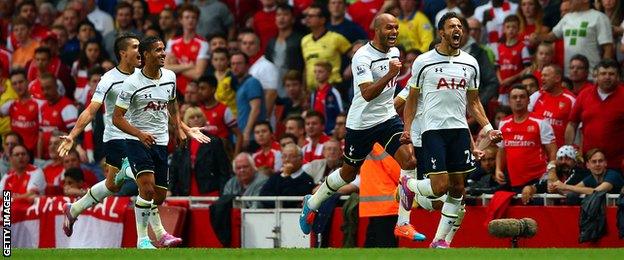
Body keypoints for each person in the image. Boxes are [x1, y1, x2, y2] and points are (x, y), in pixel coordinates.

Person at [300, 13, 421, 242]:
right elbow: (367, 94)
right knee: (347, 174)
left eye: (396, 28)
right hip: (361, 124)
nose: (394, 32)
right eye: (388, 28)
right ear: (375, 30)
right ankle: (312, 202)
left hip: (386, 119)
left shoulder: (395, 52)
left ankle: (403, 223)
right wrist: (391, 74)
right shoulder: (362, 56)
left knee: (410, 161)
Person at [401, 12, 501, 248]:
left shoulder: (470, 62)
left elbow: (474, 102)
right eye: (452, 26)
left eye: (460, 26)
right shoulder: (423, 61)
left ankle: (439, 241)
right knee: (440, 188)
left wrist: (488, 127)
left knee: (458, 187)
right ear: (442, 32)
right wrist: (406, 130)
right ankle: (408, 185)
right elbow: (412, 100)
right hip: (433, 130)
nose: (457, 30)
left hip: (458, 130)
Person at [112, 36, 209, 249]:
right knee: (146, 190)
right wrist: (138, 134)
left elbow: (171, 106)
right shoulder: (131, 83)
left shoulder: (170, 76)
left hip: (161, 141)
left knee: (158, 196)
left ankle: (128, 171)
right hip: (137, 140)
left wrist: (180, 129)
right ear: (145, 55)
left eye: (163, 49)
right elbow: (117, 118)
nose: (163, 53)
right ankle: (142, 240)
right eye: (158, 50)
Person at [58, 34, 141, 237]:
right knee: (144, 177)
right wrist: (73, 135)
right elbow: (90, 110)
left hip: (137, 136)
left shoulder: (143, 76)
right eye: (135, 47)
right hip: (116, 138)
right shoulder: (109, 79)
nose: (140, 51)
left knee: (112, 185)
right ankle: (149, 238)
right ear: (123, 53)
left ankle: (74, 209)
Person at [495, 85, 557, 205]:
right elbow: (501, 150)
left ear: (528, 100)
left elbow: (552, 150)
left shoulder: (540, 122)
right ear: (509, 101)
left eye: (522, 97)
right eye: (514, 97)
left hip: (537, 180)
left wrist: (551, 171)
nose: (518, 100)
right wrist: (498, 169)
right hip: (513, 180)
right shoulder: (504, 123)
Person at [565, 59, 624, 171]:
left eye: (611, 74)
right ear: (595, 75)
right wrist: (569, 150)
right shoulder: (584, 94)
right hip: (588, 163)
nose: (607, 77)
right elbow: (572, 124)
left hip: (617, 164)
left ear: (618, 77)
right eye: (603, 74)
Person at [543, 0, 614, 78]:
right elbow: (551, 36)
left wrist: (602, 72)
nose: (570, 1)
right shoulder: (567, 17)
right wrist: (537, 37)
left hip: (591, 75)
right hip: (569, 75)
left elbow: (608, 48)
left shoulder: (599, 17)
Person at [164, 4, 209, 97]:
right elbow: (165, 69)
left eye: (193, 17)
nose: (190, 20)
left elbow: (198, 74)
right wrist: (189, 66)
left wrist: (176, 66)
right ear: (181, 20)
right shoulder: (172, 42)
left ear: (197, 20)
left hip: (193, 92)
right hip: (173, 90)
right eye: (187, 17)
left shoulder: (203, 44)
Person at [260, 143, 315, 208]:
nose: (287, 160)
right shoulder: (276, 176)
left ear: (301, 159)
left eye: (291, 156)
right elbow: (263, 195)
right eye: (284, 156)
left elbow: (290, 200)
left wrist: (286, 176)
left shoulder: (307, 180)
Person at [552, 148, 624, 194]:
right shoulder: (590, 178)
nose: (597, 164)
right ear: (587, 165)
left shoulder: (613, 175)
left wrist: (565, 186)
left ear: (606, 163)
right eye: (594, 162)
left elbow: (596, 191)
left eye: (600, 161)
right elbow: (569, 191)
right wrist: (555, 188)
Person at [1, 70, 38, 154]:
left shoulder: (38, 104)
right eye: (14, 83)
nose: (18, 86)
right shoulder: (11, 104)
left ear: (27, 81)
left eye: (20, 82)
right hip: (15, 154)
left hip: (33, 154)